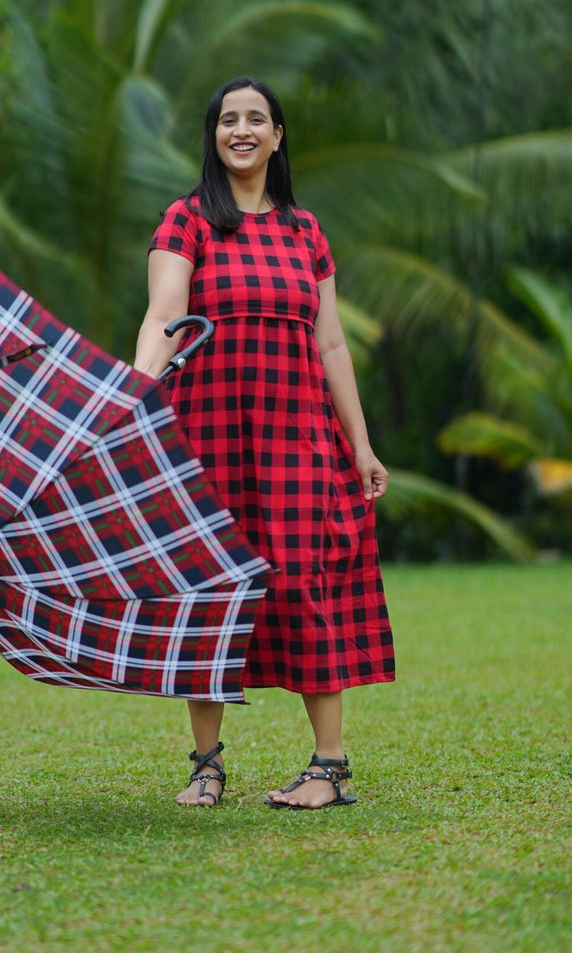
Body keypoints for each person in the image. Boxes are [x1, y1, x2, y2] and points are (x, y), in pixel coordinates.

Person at [133, 77, 395, 810]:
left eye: (256, 119)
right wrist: (127, 402)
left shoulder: (305, 232)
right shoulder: (186, 221)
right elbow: (163, 317)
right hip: (205, 433)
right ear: (212, 136)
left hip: (297, 437)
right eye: (227, 120)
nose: (240, 130)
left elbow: (332, 343)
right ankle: (207, 765)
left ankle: (329, 768)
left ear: (278, 136)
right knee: (208, 588)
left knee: (304, 580)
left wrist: (362, 444)